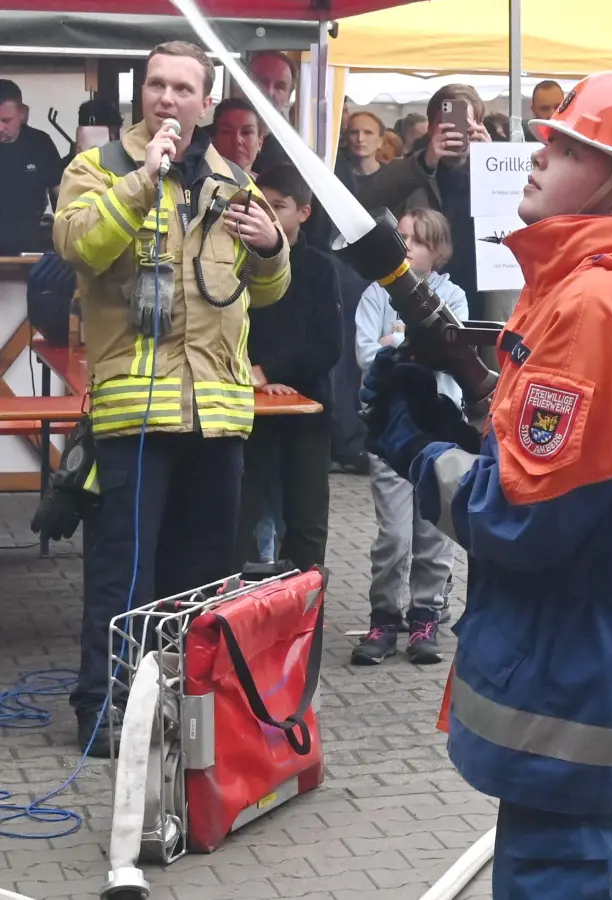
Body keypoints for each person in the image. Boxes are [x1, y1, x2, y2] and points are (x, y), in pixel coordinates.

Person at [361, 69, 612, 897]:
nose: (539, 153)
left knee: (554, 882)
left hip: (577, 661)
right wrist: (460, 434)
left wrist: (414, 448)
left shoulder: (592, 306)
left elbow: (529, 517)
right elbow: (564, 470)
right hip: (593, 650)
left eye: (570, 144)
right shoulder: (588, 293)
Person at [53, 40, 290, 756]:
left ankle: (188, 712)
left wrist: (273, 246)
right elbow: (78, 246)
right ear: (142, 95)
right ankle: (107, 709)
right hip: (134, 412)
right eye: (156, 85)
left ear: (205, 103)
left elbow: (266, 293)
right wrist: (140, 184)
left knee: (203, 580)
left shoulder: (231, 180)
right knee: (124, 573)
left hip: (217, 414)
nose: (166, 99)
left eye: (182, 89)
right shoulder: (99, 168)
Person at [351, 208, 465, 667]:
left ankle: (425, 614)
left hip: (438, 428)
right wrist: (407, 342)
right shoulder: (374, 295)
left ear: (436, 252)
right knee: (395, 535)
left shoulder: (453, 294)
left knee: (434, 531)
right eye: (399, 239)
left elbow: (450, 350)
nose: (404, 249)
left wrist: (393, 341)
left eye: (415, 241)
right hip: (390, 433)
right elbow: (365, 355)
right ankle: (384, 616)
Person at [234, 164, 342, 571]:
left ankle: (304, 623)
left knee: (307, 523)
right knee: (241, 516)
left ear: (304, 213)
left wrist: (272, 372)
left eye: (278, 206)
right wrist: (257, 377)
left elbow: (328, 346)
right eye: (261, 204)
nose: (268, 214)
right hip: (251, 407)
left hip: (308, 410)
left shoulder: (318, 268)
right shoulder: (238, 263)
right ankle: (232, 615)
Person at [360, 84, 492, 317]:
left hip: (482, 290)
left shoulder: (494, 170)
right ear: (431, 128)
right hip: (421, 293)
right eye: (447, 123)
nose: (455, 130)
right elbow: (366, 209)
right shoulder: (408, 171)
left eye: (465, 122)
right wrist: (425, 163)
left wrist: (492, 162)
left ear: (479, 126)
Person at [0, 79, 67, 255]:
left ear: (22, 113)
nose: (0, 127)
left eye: (6, 120)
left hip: (30, 248)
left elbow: (61, 199)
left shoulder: (40, 144)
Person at [244, 51, 296, 173]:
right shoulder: (204, 141)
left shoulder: (296, 158)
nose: (269, 91)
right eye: (262, 81)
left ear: (288, 97)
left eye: (279, 86)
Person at [337, 110, 387, 196]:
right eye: (354, 132)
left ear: (380, 141)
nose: (360, 139)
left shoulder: (389, 178)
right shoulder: (336, 176)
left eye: (368, 133)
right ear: (346, 138)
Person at [211, 97, 264, 175]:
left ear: (260, 143)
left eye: (246, 132)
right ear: (214, 140)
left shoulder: (268, 185)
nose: (237, 140)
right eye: (227, 132)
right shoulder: (199, 184)